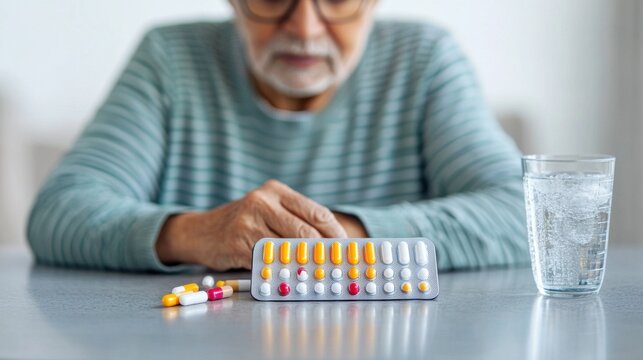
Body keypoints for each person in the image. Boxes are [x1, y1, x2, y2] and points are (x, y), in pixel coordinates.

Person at [27, 0, 529, 272]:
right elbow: (60, 210)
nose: (306, 27)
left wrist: (330, 239)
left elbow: (521, 213)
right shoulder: (169, 59)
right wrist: (198, 233)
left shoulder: (425, 60)